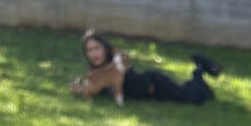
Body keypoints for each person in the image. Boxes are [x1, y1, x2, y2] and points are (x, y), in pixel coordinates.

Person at [71, 30, 222, 106]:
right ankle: (196, 81)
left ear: (105, 48)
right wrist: (81, 86)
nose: (94, 54)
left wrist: (85, 89)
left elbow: (110, 86)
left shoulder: (117, 63)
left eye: (97, 48)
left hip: (155, 85)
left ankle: (199, 68)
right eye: (89, 50)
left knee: (194, 99)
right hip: (151, 93)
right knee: (185, 91)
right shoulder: (99, 72)